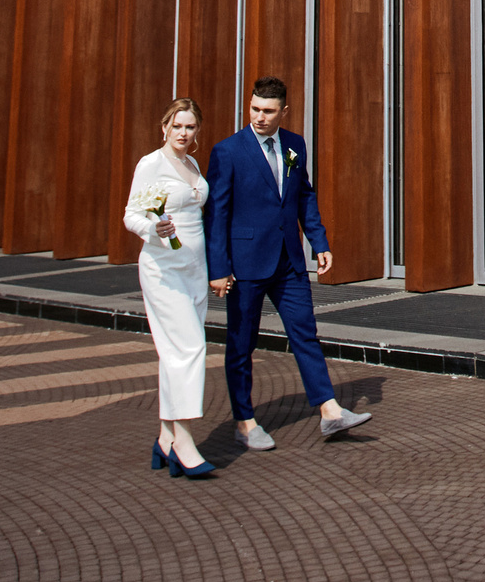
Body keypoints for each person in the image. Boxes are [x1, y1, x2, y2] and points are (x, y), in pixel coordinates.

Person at [207, 76, 371, 446]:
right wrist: (218, 269)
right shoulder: (228, 151)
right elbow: (216, 213)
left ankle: (329, 411)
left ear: (284, 111)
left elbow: (303, 196)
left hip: (288, 262)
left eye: (267, 111)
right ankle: (245, 422)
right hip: (245, 265)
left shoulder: (295, 145)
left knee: (305, 334)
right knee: (241, 343)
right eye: (254, 109)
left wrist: (319, 241)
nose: (259, 117)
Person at [123, 98, 219, 479]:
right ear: (164, 127)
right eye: (177, 126)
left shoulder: (192, 164)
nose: (183, 133)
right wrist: (153, 229)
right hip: (163, 271)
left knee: (175, 353)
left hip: (194, 270)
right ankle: (183, 440)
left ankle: (164, 439)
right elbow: (134, 215)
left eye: (190, 127)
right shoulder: (153, 164)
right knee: (190, 347)